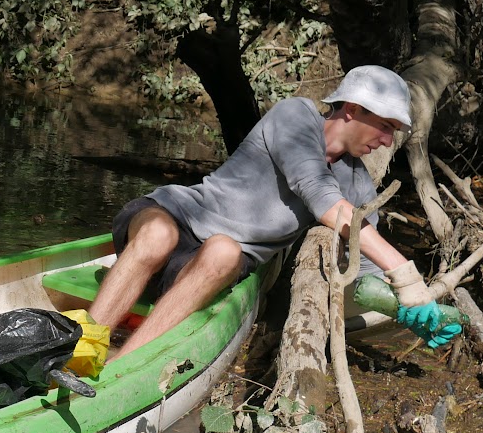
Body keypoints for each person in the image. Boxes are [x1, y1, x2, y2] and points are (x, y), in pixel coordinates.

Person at [89, 64, 463, 359]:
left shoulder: (357, 184)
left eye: (393, 132)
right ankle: (81, 350)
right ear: (352, 110)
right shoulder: (295, 115)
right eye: (385, 126)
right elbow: (320, 194)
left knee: (224, 249)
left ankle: (124, 366)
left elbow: (363, 272)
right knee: (157, 234)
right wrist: (407, 276)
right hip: (175, 216)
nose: (386, 141)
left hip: (209, 268)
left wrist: (411, 309)